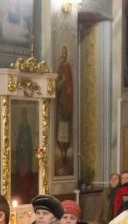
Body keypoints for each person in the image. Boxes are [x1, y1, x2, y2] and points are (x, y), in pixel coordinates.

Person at [55, 45, 74, 173]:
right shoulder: (60, 67)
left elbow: (70, 85)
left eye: (65, 53)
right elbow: (57, 85)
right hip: (60, 104)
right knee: (60, 130)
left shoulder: (68, 68)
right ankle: (61, 153)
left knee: (66, 130)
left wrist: (67, 88)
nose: (64, 55)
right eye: (62, 53)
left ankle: (65, 153)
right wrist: (61, 82)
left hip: (67, 104)